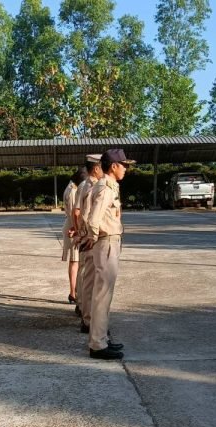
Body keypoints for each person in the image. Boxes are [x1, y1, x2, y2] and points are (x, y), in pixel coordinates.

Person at [84, 149, 134, 360]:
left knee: (104, 295)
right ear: (114, 166)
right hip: (106, 243)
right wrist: (92, 236)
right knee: (102, 296)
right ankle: (97, 344)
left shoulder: (109, 186)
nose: (126, 169)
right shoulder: (105, 188)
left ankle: (101, 338)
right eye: (124, 165)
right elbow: (93, 218)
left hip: (109, 242)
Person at [74, 154, 103, 331]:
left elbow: (78, 212)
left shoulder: (84, 185)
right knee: (90, 279)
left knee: (84, 274)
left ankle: (81, 307)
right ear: (96, 168)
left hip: (85, 234)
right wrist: (85, 233)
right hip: (90, 236)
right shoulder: (92, 186)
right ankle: (88, 318)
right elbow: (80, 213)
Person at [61, 168, 87, 305]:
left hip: (72, 226)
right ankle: (73, 293)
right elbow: (74, 214)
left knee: (76, 262)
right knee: (74, 261)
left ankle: (75, 291)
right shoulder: (72, 191)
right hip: (72, 227)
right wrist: (77, 230)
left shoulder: (71, 188)